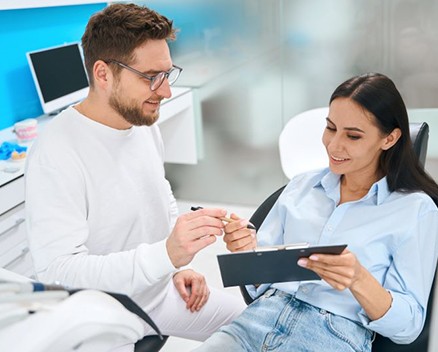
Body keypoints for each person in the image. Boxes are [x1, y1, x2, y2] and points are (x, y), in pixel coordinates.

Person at [24, 3, 245, 348]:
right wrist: (166, 256)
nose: (166, 91)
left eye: (167, 74)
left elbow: (161, 193)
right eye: (150, 77)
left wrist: (176, 267)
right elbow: (58, 273)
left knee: (259, 327)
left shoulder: (140, 122)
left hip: (160, 292)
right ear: (103, 74)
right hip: (101, 310)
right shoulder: (56, 153)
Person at [194, 73, 438, 352]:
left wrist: (359, 279)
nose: (334, 145)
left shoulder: (415, 210)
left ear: (390, 138)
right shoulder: (301, 187)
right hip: (257, 322)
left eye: (353, 136)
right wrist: (248, 252)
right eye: (331, 128)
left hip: (332, 337)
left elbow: (408, 327)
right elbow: (257, 288)